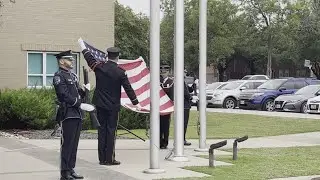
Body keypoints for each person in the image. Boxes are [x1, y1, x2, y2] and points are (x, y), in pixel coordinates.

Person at [78, 41, 140, 166]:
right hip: (113, 106)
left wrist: (83, 48)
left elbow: (90, 59)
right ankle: (109, 159)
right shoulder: (120, 72)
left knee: (101, 131)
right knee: (111, 131)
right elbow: (128, 88)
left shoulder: (100, 67)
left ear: (107, 56)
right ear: (117, 57)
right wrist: (135, 102)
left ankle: (101, 158)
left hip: (100, 105)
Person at [52, 50, 86, 180]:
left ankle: (71, 169)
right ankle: (64, 172)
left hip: (76, 113)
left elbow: (77, 93)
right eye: (69, 60)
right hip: (67, 113)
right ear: (61, 61)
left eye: (72, 59)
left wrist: (83, 91)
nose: (72, 61)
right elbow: (63, 95)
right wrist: (78, 103)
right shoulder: (59, 76)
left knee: (74, 144)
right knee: (67, 144)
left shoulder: (73, 75)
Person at [159, 62, 174, 149]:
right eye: (162, 71)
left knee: (165, 125)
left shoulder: (171, 82)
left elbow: (171, 95)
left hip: (166, 107)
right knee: (158, 125)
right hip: (158, 107)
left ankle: (165, 142)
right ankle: (159, 141)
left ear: (168, 72)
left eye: (165, 71)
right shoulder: (157, 81)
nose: (163, 72)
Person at [184, 69, 193, 146]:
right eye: (184, 72)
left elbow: (190, 90)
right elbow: (186, 94)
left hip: (185, 105)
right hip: (184, 106)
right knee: (183, 123)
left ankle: (182, 138)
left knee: (184, 124)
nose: (186, 74)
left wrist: (191, 85)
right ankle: (182, 139)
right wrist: (191, 98)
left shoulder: (184, 82)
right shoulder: (181, 82)